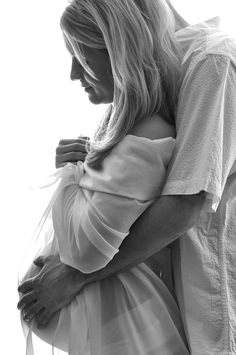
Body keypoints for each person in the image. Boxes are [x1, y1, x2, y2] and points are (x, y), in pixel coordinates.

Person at [18, 0, 236, 354]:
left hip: (206, 310)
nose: (75, 74)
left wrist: (74, 276)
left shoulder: (212, 63)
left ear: (117, 36)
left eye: (82, 56)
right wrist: (88, 162)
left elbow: (186, 204)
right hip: (169, 307)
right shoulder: (154, 82)